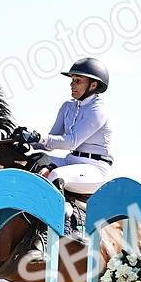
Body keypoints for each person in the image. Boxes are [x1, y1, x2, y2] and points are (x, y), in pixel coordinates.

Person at [10, 57, 114, 259]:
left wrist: (39, 137)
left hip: (96, 168)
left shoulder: (99, 110)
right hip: (72, 161)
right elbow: (52, 139)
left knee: (56, 175)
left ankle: (56, 234)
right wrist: (26, 141)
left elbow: (70, 141)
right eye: (72, 80)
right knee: (32, 161)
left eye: (77, 81)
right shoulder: (68, 106)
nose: (72, 85)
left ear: (94, 85)